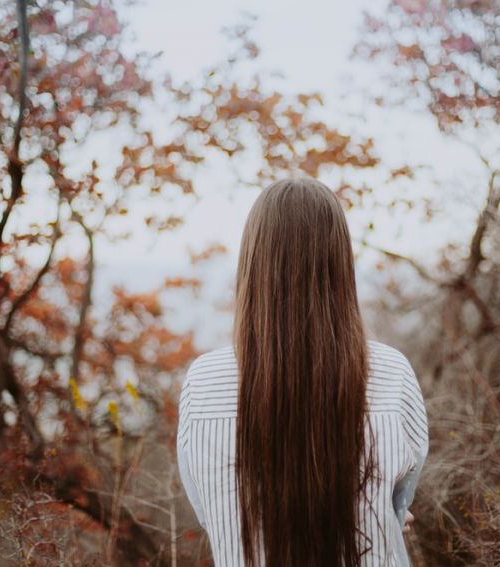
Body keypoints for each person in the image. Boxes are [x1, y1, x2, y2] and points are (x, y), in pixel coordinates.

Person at [176, 177, 428, 566]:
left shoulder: (203, 382)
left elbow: (212, 513)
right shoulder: (392, 374)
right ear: (339, 264)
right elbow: (398, 505)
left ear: (253, 264)